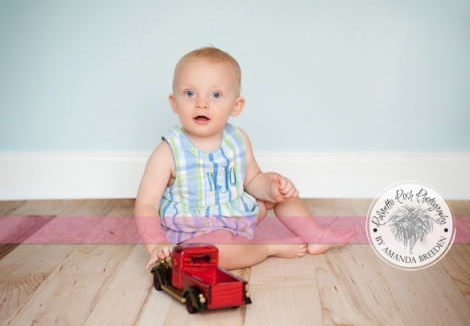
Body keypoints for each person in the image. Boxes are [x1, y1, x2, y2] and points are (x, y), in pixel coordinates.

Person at [135, 47, 355, 270]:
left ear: (236, 106)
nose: (201, 103)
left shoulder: (238, 139)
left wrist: (271, 190)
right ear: (174, 102)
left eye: (216, 95)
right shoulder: (169, 151)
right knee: (211, 252)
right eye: (190, 93)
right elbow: (147, 204)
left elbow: (252, 179)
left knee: (278, 185)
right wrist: (157, 245)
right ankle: (267, 248)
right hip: (193, 236)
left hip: (236, 215)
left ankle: (316, 235)